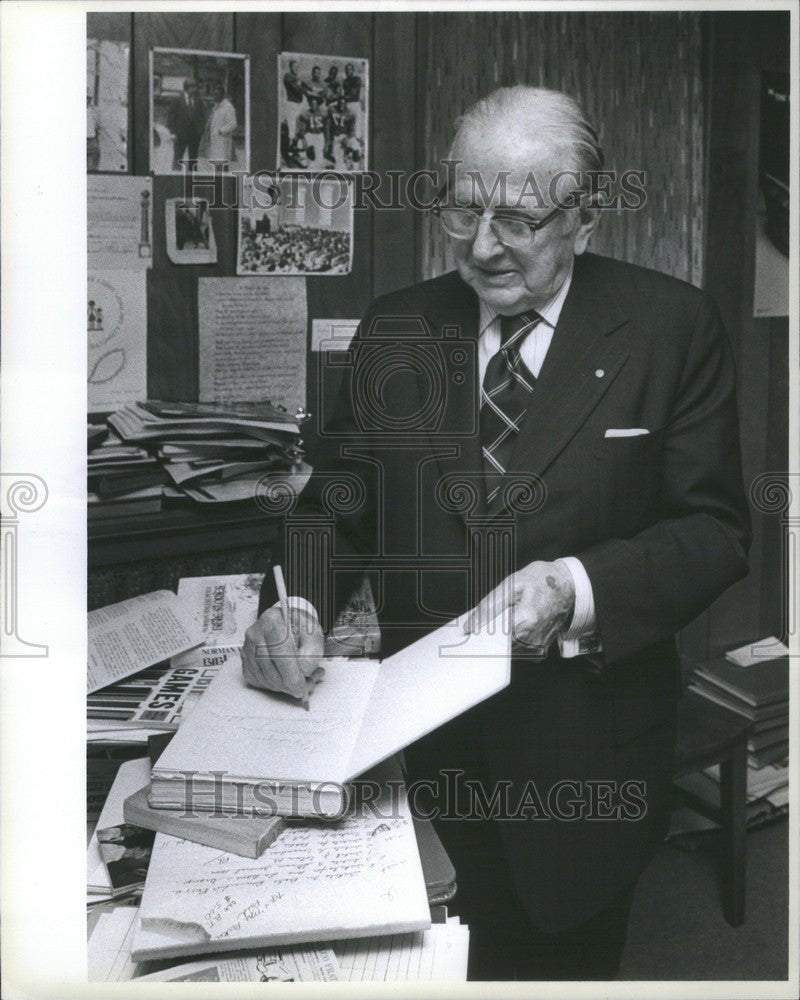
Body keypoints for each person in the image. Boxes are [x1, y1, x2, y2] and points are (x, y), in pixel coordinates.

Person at [242, 86, 750, 980]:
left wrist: (576, 589)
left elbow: (714, 530)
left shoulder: (673, 328)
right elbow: (339, 497)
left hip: (586, 756)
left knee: (560, 967)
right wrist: (295, 603)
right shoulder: (399, 324)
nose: (480, 247)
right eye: (463, 210)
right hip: (413, 750)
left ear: (584, 218)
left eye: (515, 218)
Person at [167, 78, 207, 170]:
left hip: (195, 136)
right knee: (178, 158)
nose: (195, 90)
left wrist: (201, 130)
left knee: (193, 160)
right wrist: (173, 133)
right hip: (180, 135)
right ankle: (175, 179)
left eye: (195, 87)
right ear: (187, 88)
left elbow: (202, 116)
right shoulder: (177, 100)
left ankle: (191, 179)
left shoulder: (198, 100)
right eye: (193, 87)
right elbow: (171, 117)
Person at [205, 83, 237, 166]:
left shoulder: (228, 107)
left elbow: (233, 124)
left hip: (223, 141)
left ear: (222, 95)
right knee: (216, 163)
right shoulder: (216, 106)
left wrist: (221, 131)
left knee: (222, 164)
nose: (214, 97)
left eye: (216, 95)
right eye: (214, 94)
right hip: (215, 140)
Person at [282, 59, 305, 144]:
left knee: (298, 128)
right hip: (292, 104)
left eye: (297, 67)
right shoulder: (288, 75)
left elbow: (303, 86)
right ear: (290, 67)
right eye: (294, 66)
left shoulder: (297, 78)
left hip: (298, 104)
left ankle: (295, 149)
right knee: (291, 128)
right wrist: (308, 91)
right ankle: (290, 152)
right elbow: (298, 89)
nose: (296, 68)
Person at [342, 62, 363, 139]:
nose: (348, 71)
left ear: (353, 70)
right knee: (348, 123)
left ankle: (357, 143)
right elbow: (345, 94)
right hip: (347, 104)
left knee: (357, 125)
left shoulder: (357, 79)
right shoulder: (345, 81)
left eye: (350, 69)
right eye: (346, 69)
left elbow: (352, 93)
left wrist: (343, 97)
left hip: (355, 104)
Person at [86, 94, 100, 171]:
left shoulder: (95, 110)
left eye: (88, 98)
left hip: (92, 142)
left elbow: (98, 126)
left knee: (92, 169)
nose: (87, 100)